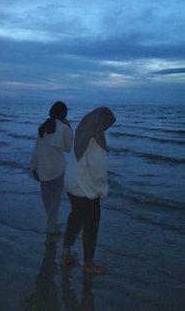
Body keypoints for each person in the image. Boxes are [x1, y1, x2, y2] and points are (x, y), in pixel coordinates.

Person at [61, 106, 116, 274]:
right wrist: (102, 192)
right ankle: (89, 264)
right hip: (85, 190)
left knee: (75, 219)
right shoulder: (97, 144)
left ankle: (65, 254)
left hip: (71, 185)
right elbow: (98, 175)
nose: (106, 128)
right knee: (91, 225)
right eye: (106, 125)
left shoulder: (81, 135)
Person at [30, 101, 73, 245]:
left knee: (48, 201)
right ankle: (51, 227)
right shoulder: (64, 128)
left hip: (43, 169)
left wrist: (33, 167)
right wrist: (69, 127)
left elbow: (36, 150)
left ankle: (52, 223)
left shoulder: (43, 127)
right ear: (64, 114)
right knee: (54, 201)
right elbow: (68, 148)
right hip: (57, 169)